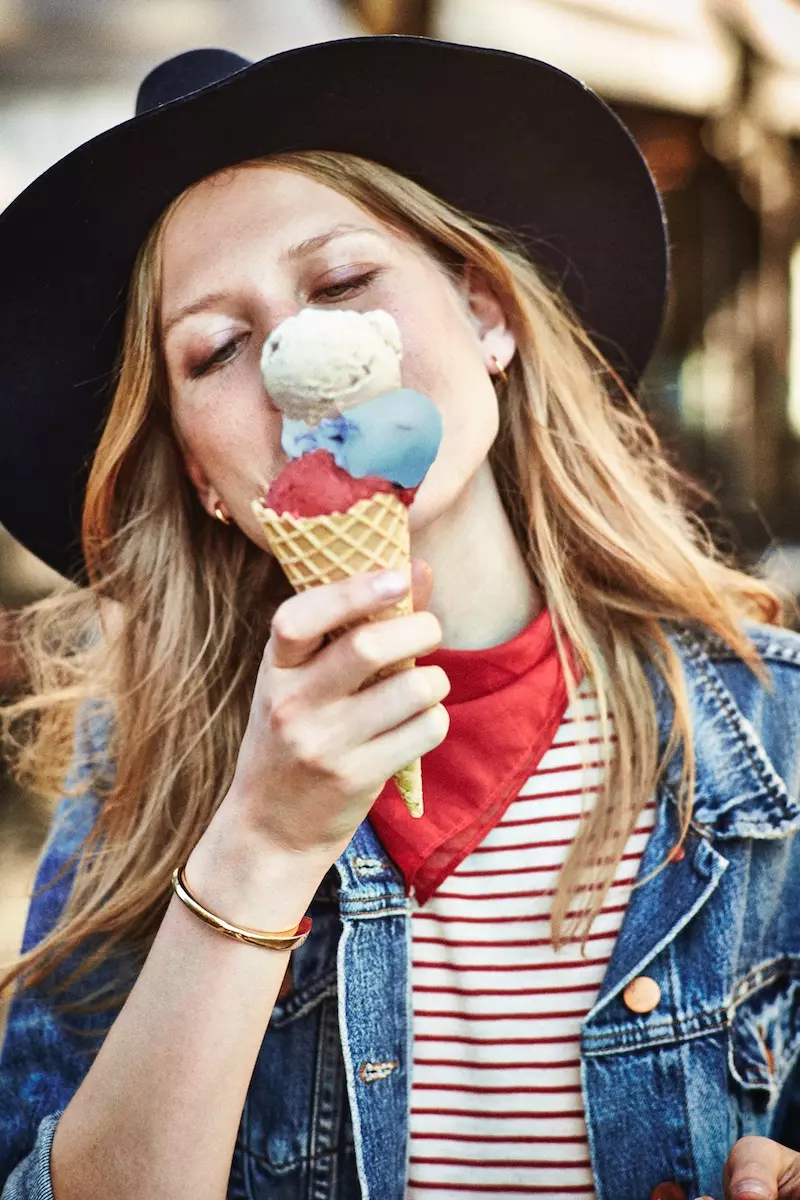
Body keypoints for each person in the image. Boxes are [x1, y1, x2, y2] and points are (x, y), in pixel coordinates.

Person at [0, 36, 798, 1200]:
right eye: (219, 348)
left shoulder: (775, 729)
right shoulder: (144, 784)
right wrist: (261, 845)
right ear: (204, 479)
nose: (295, 362)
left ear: (486, 318)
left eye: (339, 284)